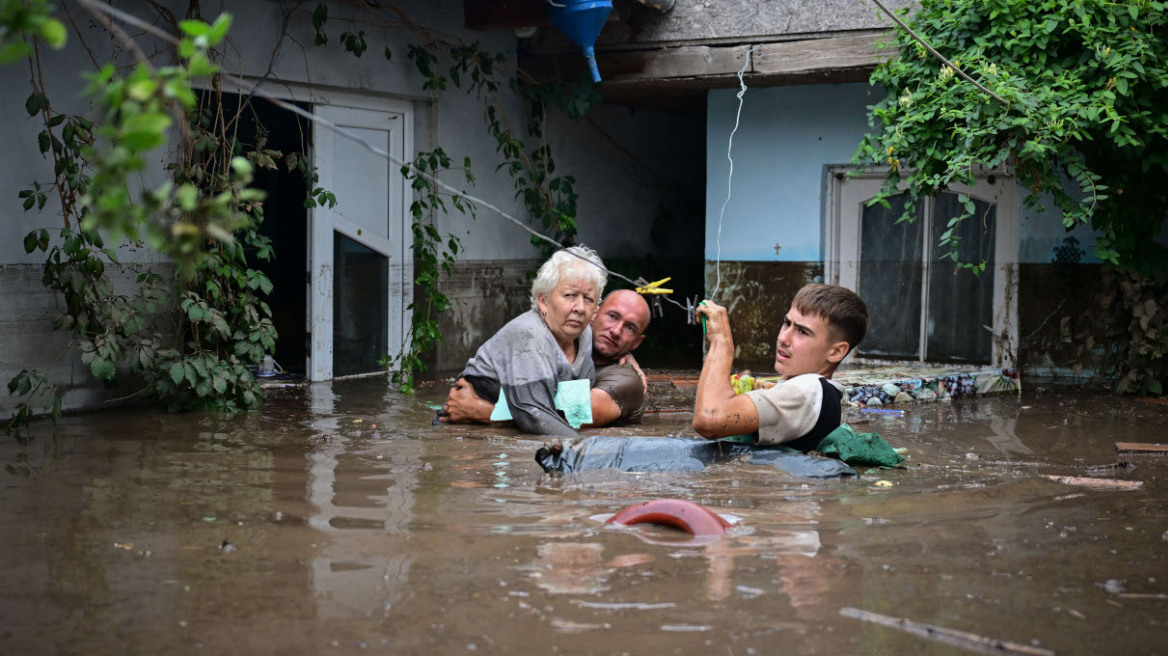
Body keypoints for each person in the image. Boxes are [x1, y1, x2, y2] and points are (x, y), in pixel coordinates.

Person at [439, 245, 606, 437]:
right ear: (543, 301)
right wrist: (591, 453)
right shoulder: (528, 333)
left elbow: (574, 412)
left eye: (588, 299)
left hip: (499, 428)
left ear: (595, 310)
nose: (580, 308)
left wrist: (486, 412)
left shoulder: (584, 336)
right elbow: (535, 416)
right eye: (569, 295)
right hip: (466, 436)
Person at [441, 288, 651, 429]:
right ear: (593, 313)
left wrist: (480, 411)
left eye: (629, 328)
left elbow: (566, 418)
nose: (616, 331)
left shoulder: (627, 381)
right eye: (612, 316)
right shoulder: (561, 343)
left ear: (637, 343)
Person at [692, 283, 868, 450]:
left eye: (802, 332)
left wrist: (721, 341)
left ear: (836, 351)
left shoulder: (808, 389)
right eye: (787, 323)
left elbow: (710, 419)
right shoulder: (820, 393)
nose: (784, 338)